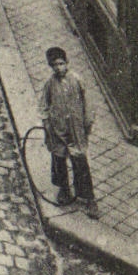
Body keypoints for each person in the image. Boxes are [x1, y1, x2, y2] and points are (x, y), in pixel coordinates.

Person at [41, 47, 99, 217]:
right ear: (51, 67)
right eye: (54, 65)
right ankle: (64, 189)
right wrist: (47, 125)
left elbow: (88, 105)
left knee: (80, 161)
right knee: (58, 160)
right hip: (58, 130)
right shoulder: (50, 84)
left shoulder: (77, 80)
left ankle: (89, 199)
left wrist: (87, 124)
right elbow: (43, 106)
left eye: (61, 64)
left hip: (75, 130)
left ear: (67, 63)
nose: (58, 68)